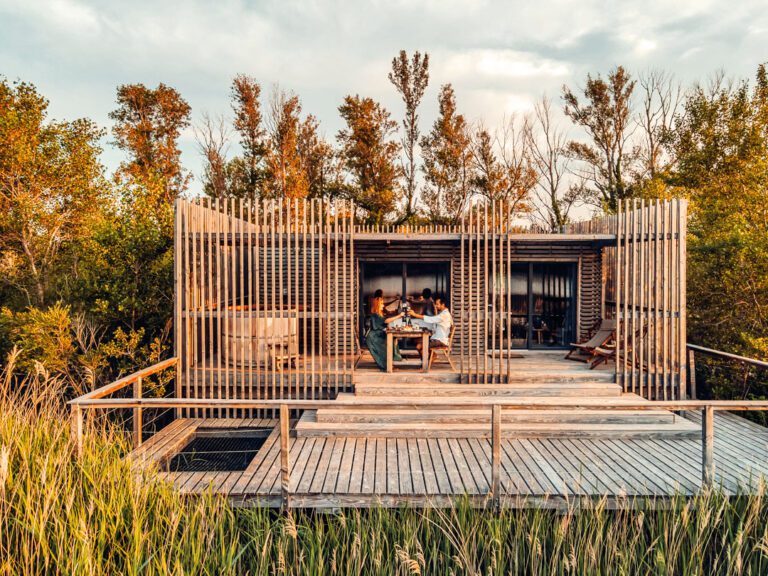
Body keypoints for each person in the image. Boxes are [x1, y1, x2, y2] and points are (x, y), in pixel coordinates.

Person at [365, 295, 405, 371]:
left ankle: (390, 364)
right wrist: (399, 316)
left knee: (393, 339)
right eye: (382, 304)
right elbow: (386, 321)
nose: (383, 305)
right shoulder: (375, 314)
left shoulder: (379, 313)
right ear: (377, 305)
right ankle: (387, 366)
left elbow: (384, 322)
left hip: (377, 335)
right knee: (387, 346)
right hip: (374, 337)